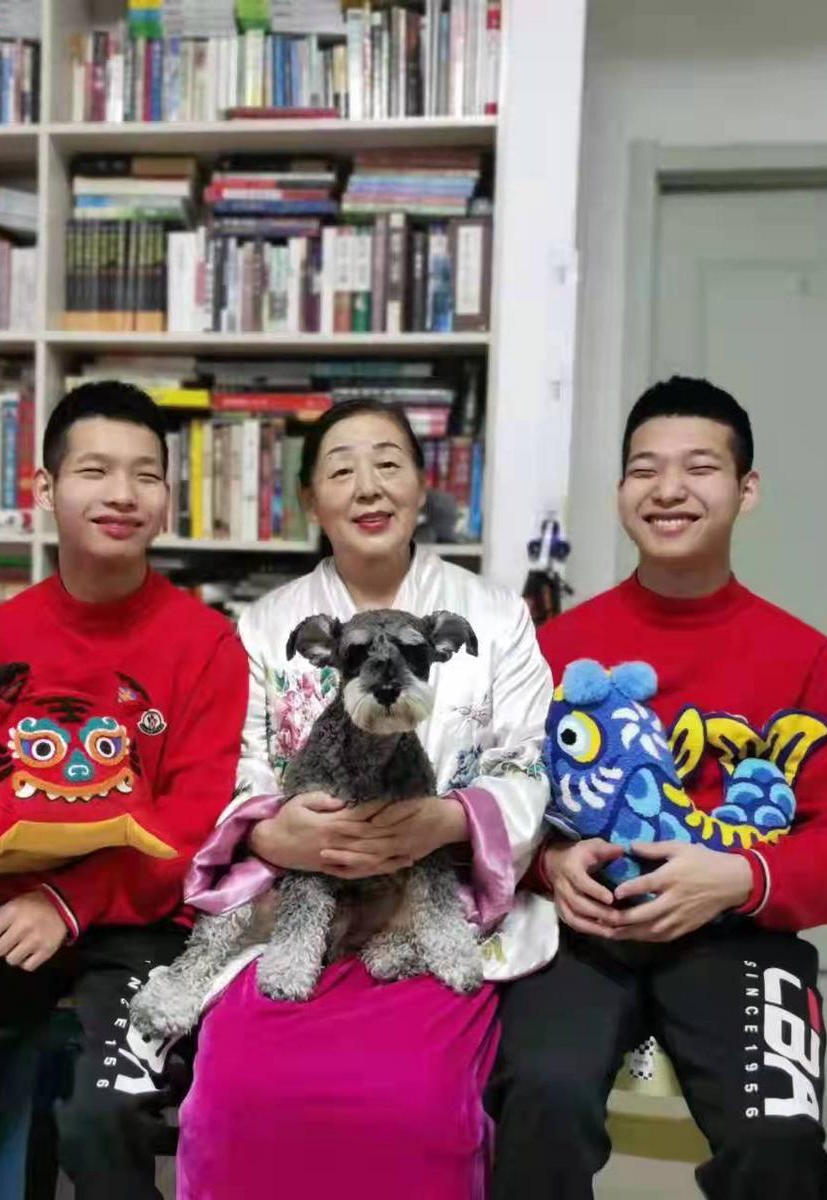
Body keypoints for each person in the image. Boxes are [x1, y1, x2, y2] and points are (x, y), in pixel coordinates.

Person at [486, 376, 827, 1199]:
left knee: (776, 1138)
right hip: (581, 934)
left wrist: (740, 877)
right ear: (620, 492)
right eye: (644, 469)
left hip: (740, 935)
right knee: (539, 1099)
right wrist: (549, 865)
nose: (668, 489)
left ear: (746, 490)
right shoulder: (552, 647)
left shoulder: (803, 657)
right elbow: (496, 800)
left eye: (699, 467)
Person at [0, 382, 247, 1200]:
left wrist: (67, 905)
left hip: (148, 923)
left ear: (167, 498)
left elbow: (194, 825)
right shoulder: (4, 632)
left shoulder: (208, 643)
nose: (122, 494)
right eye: (95, 471)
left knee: (103, 1118)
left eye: (146, 475)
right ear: (45, 488)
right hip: (8, 908)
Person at [174, 398, 555, 1199]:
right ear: (311, 500)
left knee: (415, 1105)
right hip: (298, 910)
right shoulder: (265, 625)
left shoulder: (494, 618)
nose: (368, 486)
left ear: (423, 485)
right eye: (341, 469)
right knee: (238, 1096)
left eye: (388, 463)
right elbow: (232, 764)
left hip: (438, 908)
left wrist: (447, 821)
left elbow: (529, 763)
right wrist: (272, 834)